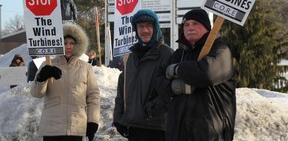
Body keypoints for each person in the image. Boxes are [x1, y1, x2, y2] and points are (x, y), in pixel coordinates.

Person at [159, 9, 236, 141]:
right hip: (178, 132)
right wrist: (174, 86)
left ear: (206, 27)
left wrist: (177, 69)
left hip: (211, 133)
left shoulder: (221, 50)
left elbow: (207, 73)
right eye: (186, 24)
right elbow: (159, 79)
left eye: (195, 23)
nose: (190, 27)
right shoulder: (179, 54)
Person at [30, 23, 100, 141]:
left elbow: (93, 96)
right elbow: (36, 93)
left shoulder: (86, 68)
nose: (68, 47)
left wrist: (92, 121)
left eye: (72, 43)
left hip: (76, 127)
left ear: (78, 45)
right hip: (52, 129)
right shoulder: (48, 65)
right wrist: (42, 78)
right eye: (64, 43)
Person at [113, 9, 174, 141]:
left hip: (157, 127)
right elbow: (122, 89)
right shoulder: (130, 56)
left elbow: (171, 90)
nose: (144, 31)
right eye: (140, 26)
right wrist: (119, 118)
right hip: (134, 127)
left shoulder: (167, 55)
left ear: (156, 28)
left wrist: (151, 110)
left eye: (148, 26)